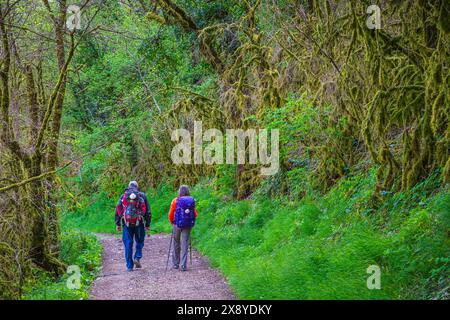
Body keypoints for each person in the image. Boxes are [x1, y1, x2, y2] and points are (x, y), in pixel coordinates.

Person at [115, 181, 151, 271]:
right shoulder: (142, 195)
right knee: (139, 241)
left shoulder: (124, 195)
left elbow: (118, 207)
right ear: (137, 187)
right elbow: (148, 212)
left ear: (129, 187)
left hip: (126, 223)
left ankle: (129, 266)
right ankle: (137, 257)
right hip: (139, 222)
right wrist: (147, 224)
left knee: (128, 243)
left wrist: (118, 223)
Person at [168, 185, 197, 271]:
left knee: (176, 243)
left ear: (179, 192)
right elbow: (195, 214)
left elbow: (170, 214)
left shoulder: (175, 201)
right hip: (188, 225)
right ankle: (184, 265)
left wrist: (172, 222)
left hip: (177, 224)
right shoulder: (191, 201)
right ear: (188, 191)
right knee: (185, 243)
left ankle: (176, 264)